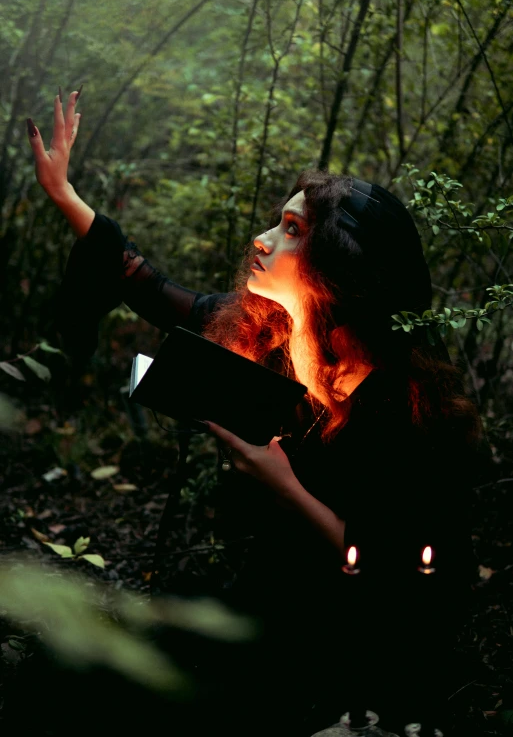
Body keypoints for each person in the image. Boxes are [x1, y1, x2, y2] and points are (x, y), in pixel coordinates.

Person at [27, 91, 491, 736]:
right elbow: (152, 288)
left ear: (340, 268)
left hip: (333, 647)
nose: (264, 238)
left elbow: (402, 577)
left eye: (293, 230)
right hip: (256, 598)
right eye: (279, 221)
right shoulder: (269, 332)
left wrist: (281, 483)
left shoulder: (402, 404)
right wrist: (65, 194)